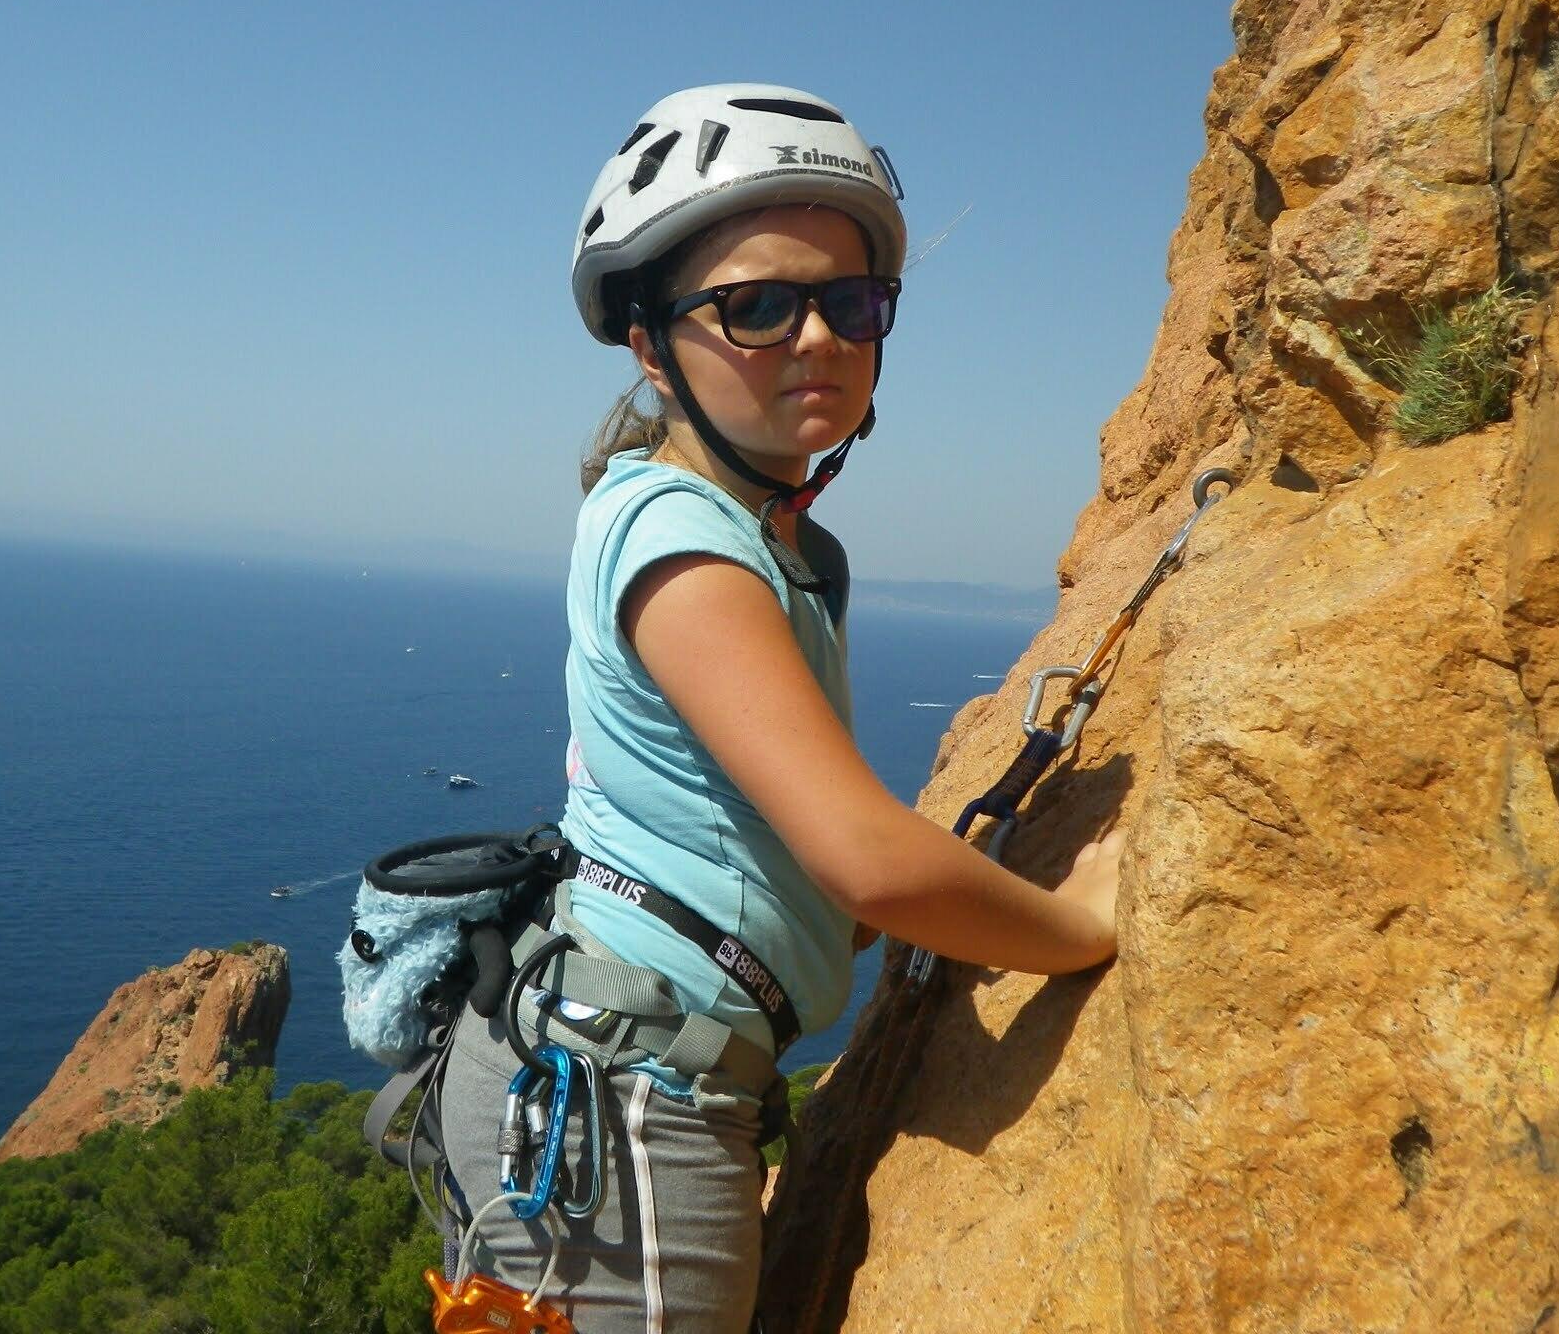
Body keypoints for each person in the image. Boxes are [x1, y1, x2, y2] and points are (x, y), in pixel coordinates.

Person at [434, 85, 1123, 1333]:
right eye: (755, 305)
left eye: (849, 303)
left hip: (622, 1071)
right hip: (623, 1113)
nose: (816, 337)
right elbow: (865, 862)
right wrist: (1089, 926)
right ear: (650, 345)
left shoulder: (760, 536)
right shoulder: (684, 546)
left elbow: (751, 843)